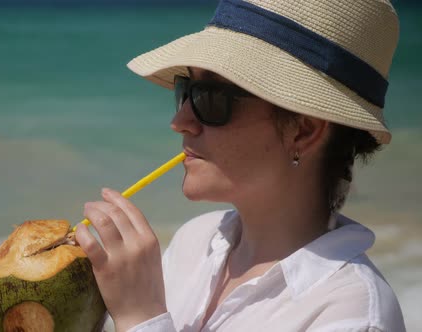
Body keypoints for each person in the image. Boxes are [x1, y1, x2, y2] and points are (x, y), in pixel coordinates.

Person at [75, 0, 405, 331]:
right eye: (185, 90)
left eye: (211, 98)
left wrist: (140, 316)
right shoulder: (196, 241)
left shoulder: (352, 315)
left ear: (304, 130)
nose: (180, 121)